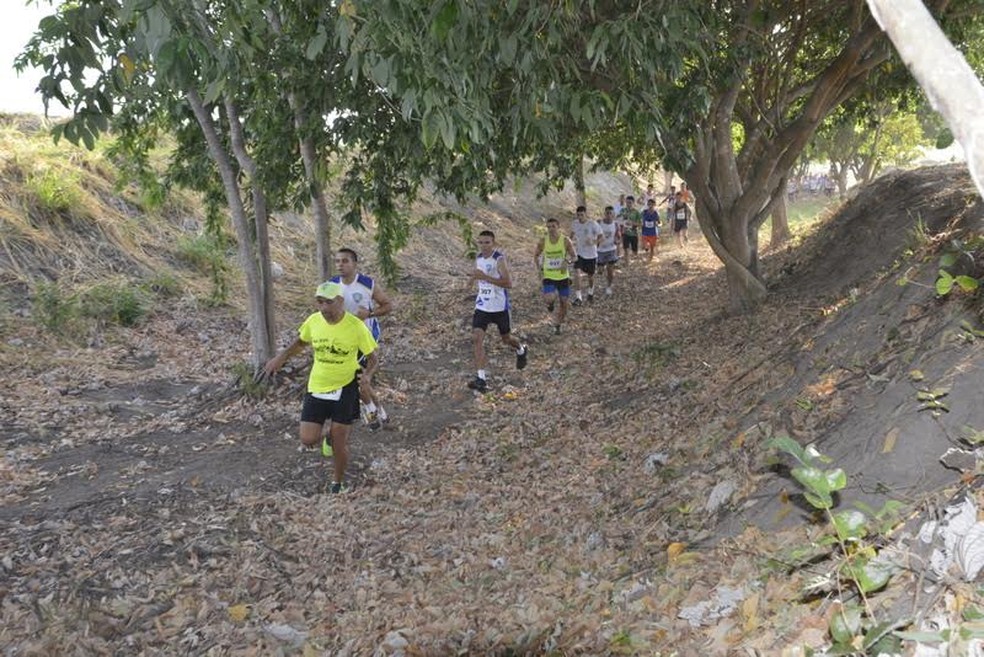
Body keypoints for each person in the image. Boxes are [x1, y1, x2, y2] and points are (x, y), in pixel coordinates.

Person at [264, 281, 378, 494]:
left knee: (339, 441)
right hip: (318, 385)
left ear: (340, 301)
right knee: (308, 439)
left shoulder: (356, 327)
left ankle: (337, 483)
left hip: (345, 387)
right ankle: (327, 434)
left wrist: (367, 376)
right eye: (320, 302)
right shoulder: (313, 321)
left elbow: (373, 358)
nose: (324, 308)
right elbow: (300, 342)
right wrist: (281, 357)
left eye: (329, 302)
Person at [329, 248, 393, 430]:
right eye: (337, 261)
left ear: (354, 264)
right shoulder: (332, 285)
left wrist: (369, 314)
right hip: (343, 337)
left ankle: (371, 413)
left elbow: (387, 305)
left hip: (365, 336)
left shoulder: (367, 284)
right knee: (358, 378)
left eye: (345, 261)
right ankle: (380, 412)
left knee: (356, 377)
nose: (340, 265)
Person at [467, 230, 528, 392]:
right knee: (476, 338)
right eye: (481, 242)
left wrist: (485, 277)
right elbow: (477, 274)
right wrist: (471, 280)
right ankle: (481, 379)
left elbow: (508, 283)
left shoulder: (499, 259)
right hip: (482, 306)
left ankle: (521, 349)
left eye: (487, 242)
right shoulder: (478, 258)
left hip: (499, 307)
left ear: (493, 243)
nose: (484, 245)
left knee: (506, 339)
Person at [534, 217, 576, 334]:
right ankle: (551, 303)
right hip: (549, 275)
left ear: (558, 227)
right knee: (549, 298)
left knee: (564, 303)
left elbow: (574, 256)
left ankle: (558, 325)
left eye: (553, 226)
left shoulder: (565, 240)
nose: (551, 229)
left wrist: (567, 261)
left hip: (563, 276)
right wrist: (539, 269)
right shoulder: (543, 241)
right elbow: (536, 255)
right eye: (548, 227)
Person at [570, 205, 602, 305]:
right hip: (579, 253)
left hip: (591, 254)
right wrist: (569, 244)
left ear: (586, 214)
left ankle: (590, 293)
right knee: (577, 273)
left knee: (590, 276)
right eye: (578, 215)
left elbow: (601, 237)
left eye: (582, 215)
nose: (580, 217)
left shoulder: (592, 224)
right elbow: (571, 236)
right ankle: (578, 298)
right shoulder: (575, 224)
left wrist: (594, 242)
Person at [596, 205, 620, 296]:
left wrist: (617, 241)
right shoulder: (599, 223)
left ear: (613, 214)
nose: (609, 215)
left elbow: (618, 236)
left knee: (610, 270)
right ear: (604, 214)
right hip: (600, 250)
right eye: (607, 213)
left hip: (611, 250)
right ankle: (600, 268)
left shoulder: (615, 224)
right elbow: (593, 234)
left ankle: (609, 286)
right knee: (600, 271)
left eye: (610, 213)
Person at [618, 195, 641, 265]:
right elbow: (618, 219)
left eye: (630, 202)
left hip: (634, 233)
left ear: (633, 203)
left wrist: (632, 223)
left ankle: (635, 262)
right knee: (626, 249)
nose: (628, 204)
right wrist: (622, 222)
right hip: (625, 233)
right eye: (627, 202)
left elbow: (640, 223)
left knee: (635, 251)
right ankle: (627, 263)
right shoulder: (623, 210)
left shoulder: (636, 212)